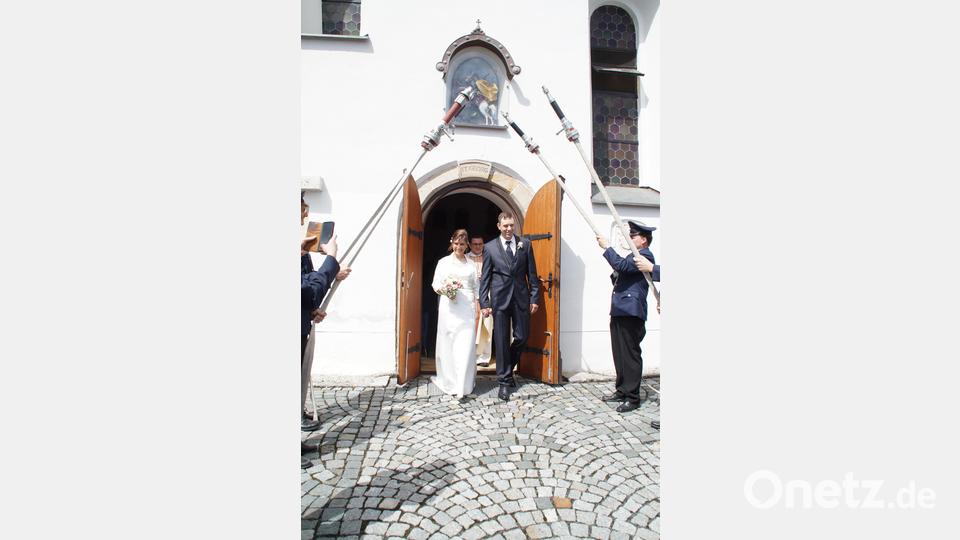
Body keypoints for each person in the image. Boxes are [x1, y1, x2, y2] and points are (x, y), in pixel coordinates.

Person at [479, 212, 540, 401]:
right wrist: (484, 303)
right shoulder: (489, 248)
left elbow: (532, 274)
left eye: (511, 225)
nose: (508, 229)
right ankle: (504, 382)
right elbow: (485, 278)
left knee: (522, 336)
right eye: (505, 226)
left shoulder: (525, 245)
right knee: (502, 340)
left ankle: (508, 369)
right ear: (499, 226)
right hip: (500, 299)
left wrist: (534, 298)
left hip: (521, 298)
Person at [596, 220, 656, 413]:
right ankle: (622, 390)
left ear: (644, 240)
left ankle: (633, 397)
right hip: (620, 309)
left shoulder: (644, 255)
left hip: (631, 311)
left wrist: (607, 247)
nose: (630, 238)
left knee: (630, 355)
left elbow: (621, 265)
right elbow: (621, 271)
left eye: (633, 236)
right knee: (619, 353)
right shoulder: (634, 255)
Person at [430, 229, 479, 399]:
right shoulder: (443, 262)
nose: (459, 247)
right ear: (452, 243)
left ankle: (463, 384)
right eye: (456, 243)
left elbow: (476, 287)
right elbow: (435, 283)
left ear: (467, 246)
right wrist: (444, 290)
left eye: (462, 244)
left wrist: (481, 306)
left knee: (465, 343)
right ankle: (450, 381)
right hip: (448, 308)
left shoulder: (471, 265)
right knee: (448, 343)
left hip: (467, 308)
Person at [466, 235, 493, 366]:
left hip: (487, 294)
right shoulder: (465, 258)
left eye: (480, 244)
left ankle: (484, 357)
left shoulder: (489, 256)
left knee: (487, 326)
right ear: (470, 245)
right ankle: (469, 355)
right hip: (469, 295)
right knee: (470, 325)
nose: (477, 246)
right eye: (475, 244)